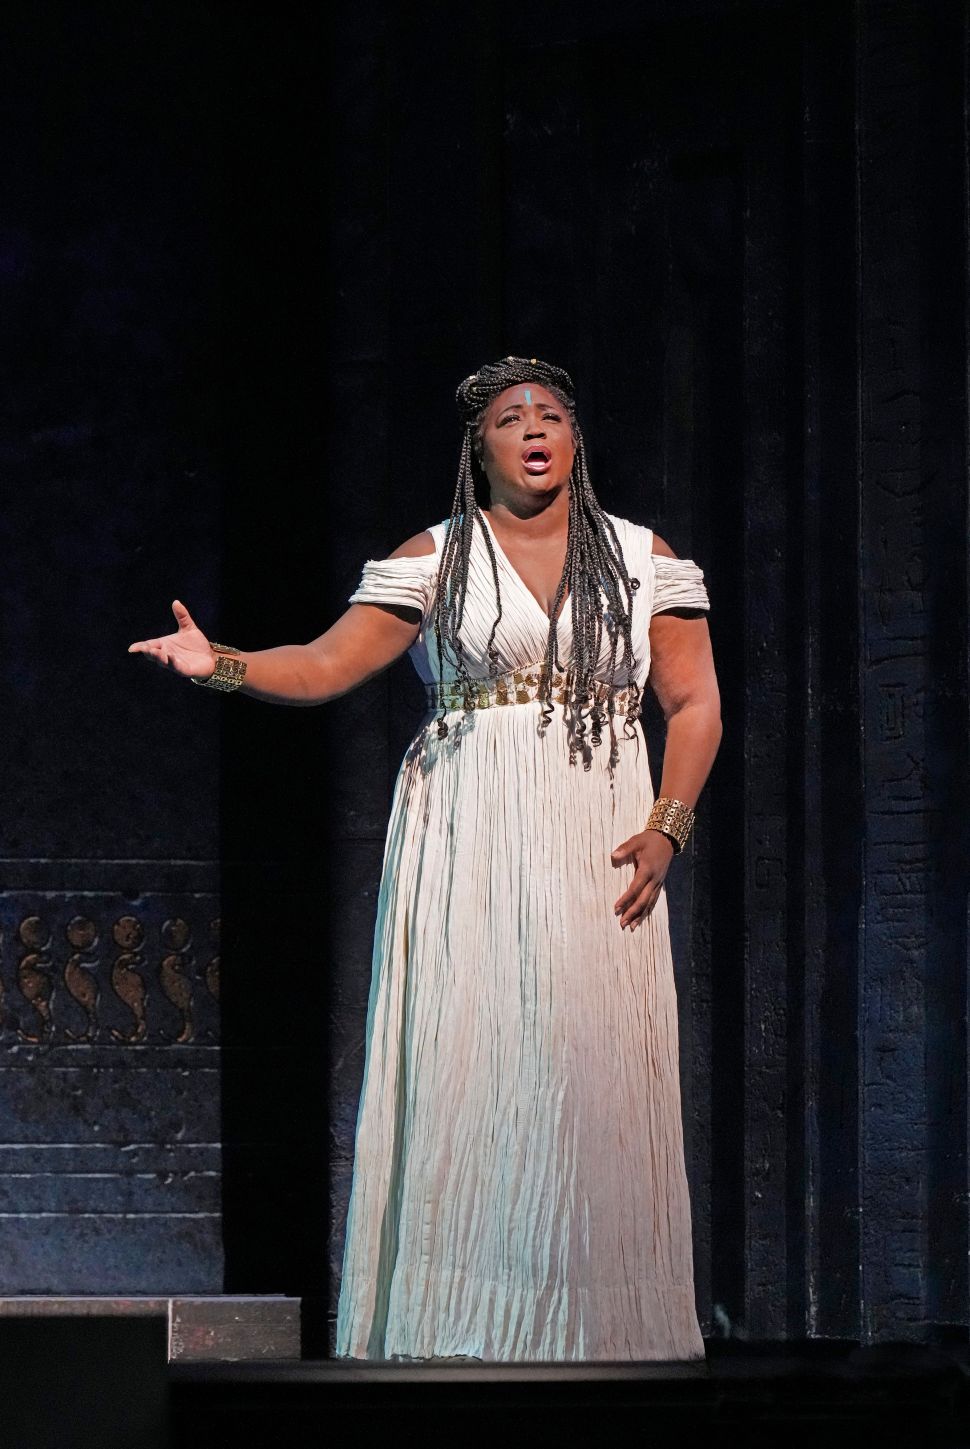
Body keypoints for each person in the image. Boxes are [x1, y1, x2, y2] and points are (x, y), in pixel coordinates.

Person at [129, 356, 721, 1363]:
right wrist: (219, 663)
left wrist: (670, 822)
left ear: (575, 439)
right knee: (480, 1055)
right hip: (470, 827)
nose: (532, 429)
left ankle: (604, 1331)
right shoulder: (438, 558)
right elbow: (322, 666)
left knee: (591, 1066)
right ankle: (461, 1331)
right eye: (507, 419)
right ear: (478, 447)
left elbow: (693, 702)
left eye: (549, 416)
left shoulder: (639, 557)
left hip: (597, 829)